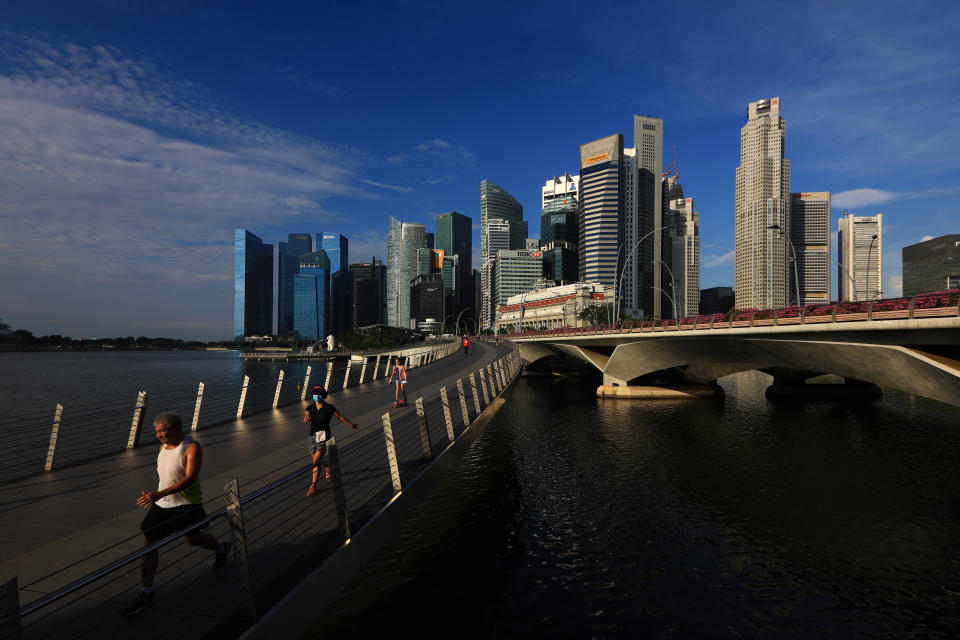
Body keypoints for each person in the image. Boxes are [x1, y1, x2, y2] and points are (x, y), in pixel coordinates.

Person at [124, 412, 230, 616]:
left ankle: (221, 548)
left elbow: (189, 479)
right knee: (149, 544)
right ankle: (146, 592)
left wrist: (158, 494)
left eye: (163, 431)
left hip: (186, 504)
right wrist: (158, 497)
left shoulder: (191, 448)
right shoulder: (162, 448)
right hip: (162, 504)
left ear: (176, 429)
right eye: (156, 432)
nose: (159, 436)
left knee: (193, 539)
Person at [304, 384, 357, 496]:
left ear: (322, 395)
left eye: (317, 394)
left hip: (323, 436)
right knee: (316, 461)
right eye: (314, 394)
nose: (315, 396)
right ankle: (328, 468)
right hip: (312, 437)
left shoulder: (329, 408)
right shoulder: (309, 408)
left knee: (316, 462)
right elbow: (306, 418)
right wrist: (306, 420)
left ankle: (313, 485)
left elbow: (341, 417)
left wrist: (351, 424)